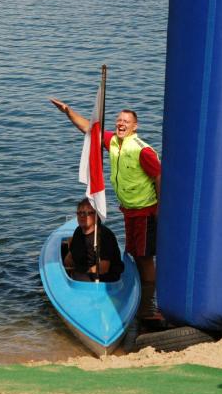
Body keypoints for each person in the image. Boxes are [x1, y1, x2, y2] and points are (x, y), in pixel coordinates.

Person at [50, 98, 162, 317]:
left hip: (145, 210)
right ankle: (139, 291)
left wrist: (160, 208)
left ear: (135, 126)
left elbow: (159, 175)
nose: (121, 124)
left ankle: (148, 303)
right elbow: (89, 130)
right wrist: (68, 112)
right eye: (119, 120)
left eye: (126, 121)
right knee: (134, 253)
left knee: (144, 257)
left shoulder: (142, 150)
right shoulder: (113, 142)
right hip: (129, 210)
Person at [64, 198, 124, 282]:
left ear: (97, 216)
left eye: (87, 213)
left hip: (104, 278)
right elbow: (70, 257)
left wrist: (83, 274)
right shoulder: (78, 231)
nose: (82, 216)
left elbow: (104, 267)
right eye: (79, 213)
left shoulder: (104, 236)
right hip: (83, 270)